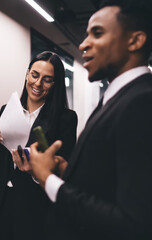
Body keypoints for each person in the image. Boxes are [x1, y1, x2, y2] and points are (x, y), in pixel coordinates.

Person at [14, 1, 152, 239]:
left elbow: (134, 223)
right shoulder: (117, 98)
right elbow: (108, 182)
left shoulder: (142, 103)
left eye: (97, 33)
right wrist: (61, 168)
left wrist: (49, 181)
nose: (83, 44)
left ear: (135, 41)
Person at [0, 51, 78, 240]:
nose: (38, 84)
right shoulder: (7, 110)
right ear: (27, 74)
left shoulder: (66, 119)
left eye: (47, 80)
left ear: (55, 85)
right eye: (35, 75)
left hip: (33, 210)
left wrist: (35, 172)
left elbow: (65, 173)